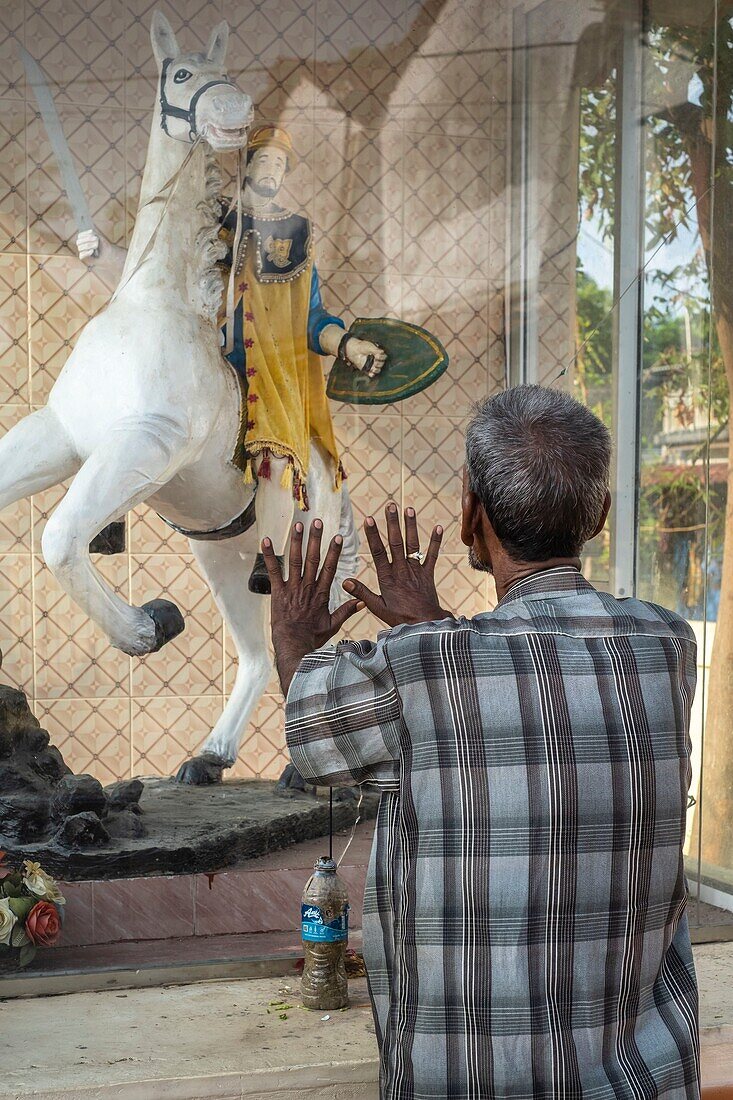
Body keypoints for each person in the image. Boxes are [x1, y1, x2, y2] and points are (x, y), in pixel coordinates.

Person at [262, 384, 700, 1100]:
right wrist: (434, 626)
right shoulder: (665, 647)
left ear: (470, 514)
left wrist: (292, 637)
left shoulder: (421, 665)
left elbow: (314, 738)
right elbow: (533, 691)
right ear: (599, 515)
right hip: (639, 1082)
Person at [77, 123, 385, 593]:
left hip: (266, 374)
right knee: (137, 401)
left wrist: (346, 344)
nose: (273, 172)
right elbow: (155, 272)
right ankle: (109, 516)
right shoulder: (210, 221)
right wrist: (102, 256)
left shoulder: (294, 236)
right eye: (265, 161)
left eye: (280, 165)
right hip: (206, 355)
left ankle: (272, 553)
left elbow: (312, 317)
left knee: (277, 452)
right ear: (247, 165)